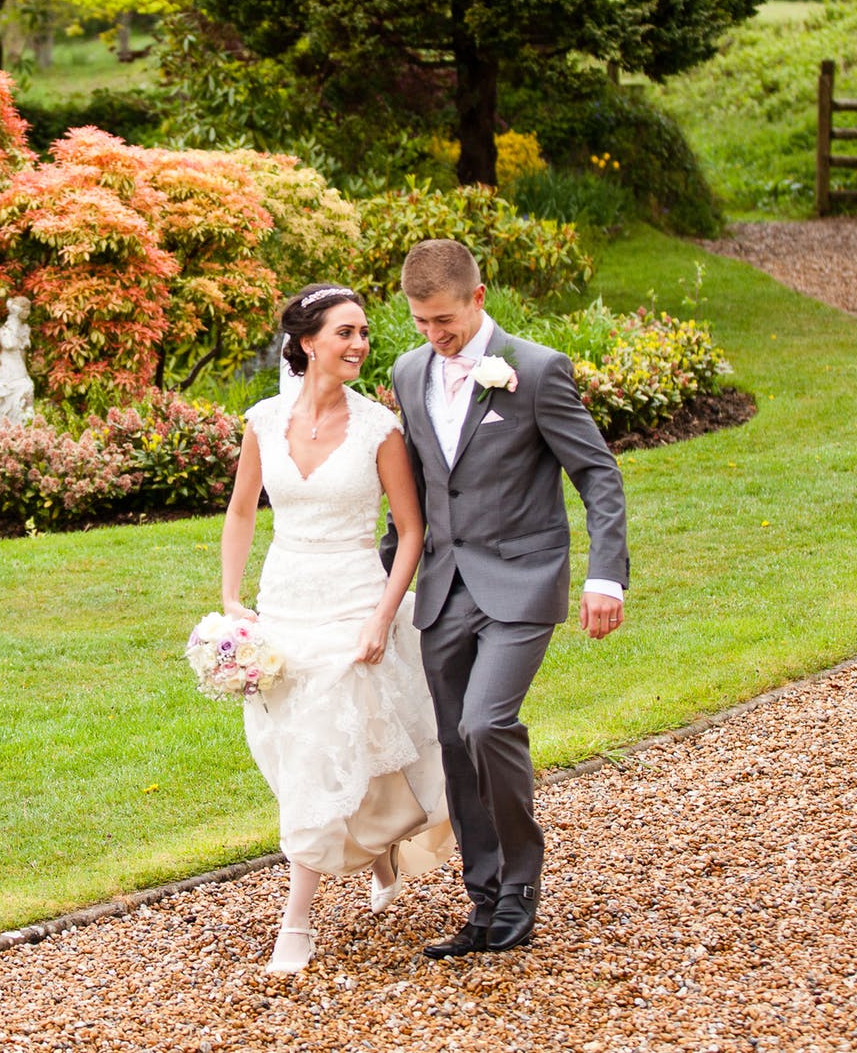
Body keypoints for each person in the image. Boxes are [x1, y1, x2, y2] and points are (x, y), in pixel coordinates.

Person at [378, 239, 628, 959]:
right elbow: (421, 494)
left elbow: (598, 476)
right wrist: (381, 584)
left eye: (445, 320)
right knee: (456, 747)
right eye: (422, 322)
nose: (434, 335)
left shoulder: (537, 371)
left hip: (521, 580)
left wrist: (604, 576)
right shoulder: (407, 371)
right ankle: (482, 902)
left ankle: (521, 883)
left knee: (488, 725)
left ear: (478, 298)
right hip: (443, 589)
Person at [220, 282, 455, 976]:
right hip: (284, 602)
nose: (359, 344)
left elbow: (411, 531)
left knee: (325, 743)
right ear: (306, 341)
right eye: (345, 333)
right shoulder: (263, 420)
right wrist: (231, 599)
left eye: (363, 333)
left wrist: (384, 615)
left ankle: (297, 923)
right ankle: (377, 854)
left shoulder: (380, 429)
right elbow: (241, 512)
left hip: (354, 604)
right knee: (297, 751)